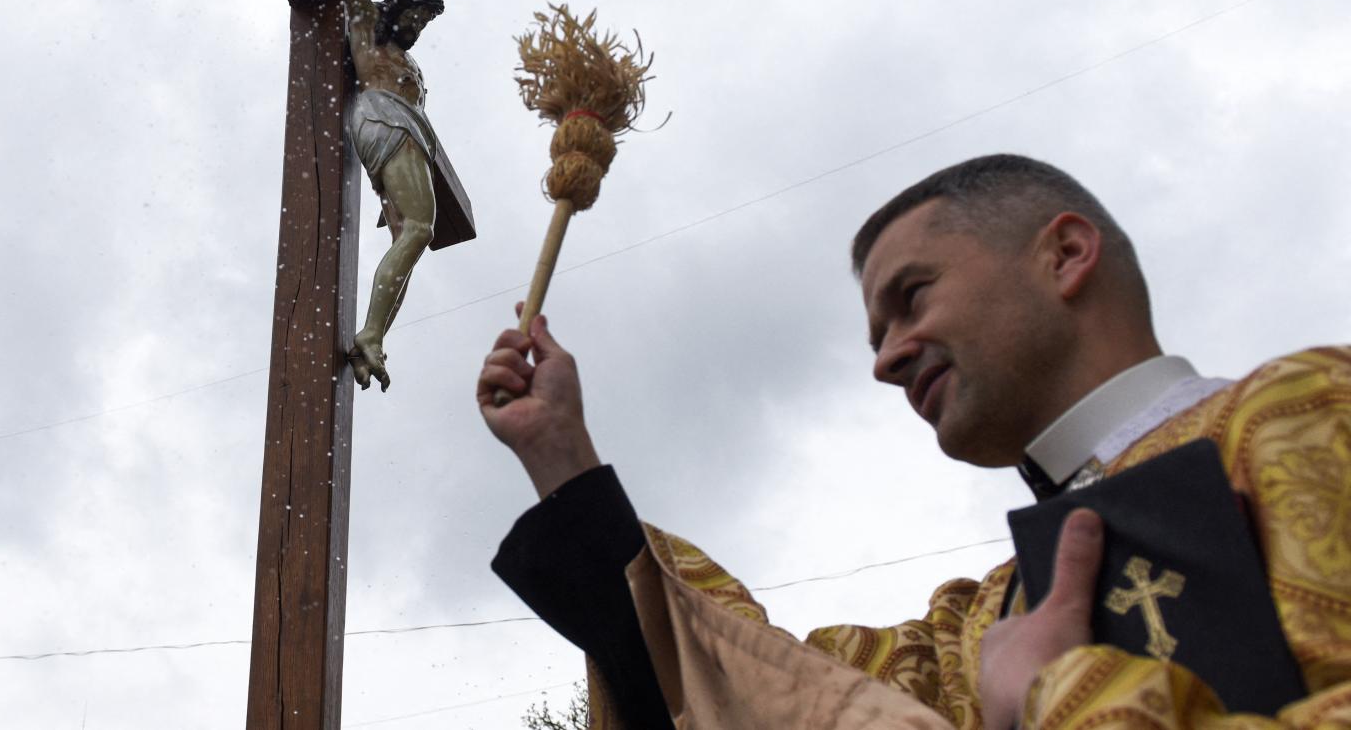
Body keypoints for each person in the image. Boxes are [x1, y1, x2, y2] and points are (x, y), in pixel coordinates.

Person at [477, 154, 1351, 729]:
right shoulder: (982, 621)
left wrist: (1062, 693)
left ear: (1067, 254)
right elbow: (757, 688)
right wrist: (561, 453)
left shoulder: (1310, 409)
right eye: (874, 334)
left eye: (914, 295)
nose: (888, 360)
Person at [294, 0, 446, 392]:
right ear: (399, 5)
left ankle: (373, 338)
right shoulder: (365, 22)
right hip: (385, 120)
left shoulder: (409, 62)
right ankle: (371, 335)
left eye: (425, 22)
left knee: (411, 236)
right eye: (415, 15)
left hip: (404, 131)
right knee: (422, 229)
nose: (418, 27)